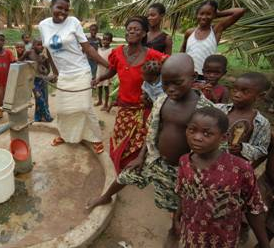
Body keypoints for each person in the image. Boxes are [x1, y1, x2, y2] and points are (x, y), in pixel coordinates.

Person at [88, 53, 214, 247]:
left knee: (178, 203)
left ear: (193, 77)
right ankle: (105, 197)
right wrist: (141, 156)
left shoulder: (204, 109)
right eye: (166, 83)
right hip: (154, 159)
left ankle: (174, 228)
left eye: (177, 83)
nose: (171, 88)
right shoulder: (162, 100)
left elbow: (210, 146)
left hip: (182, 169)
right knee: (125, 176)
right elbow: (152, 131)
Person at [175, 107, 270, 248]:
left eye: (207, 133)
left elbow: (253, 208)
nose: (197, 137)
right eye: (192, 130)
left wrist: (264, 243)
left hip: (223, 238)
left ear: (224, 137)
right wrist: (177, 218)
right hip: (191, 230)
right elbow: (182, 192)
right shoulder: (184, 161)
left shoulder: (240, 168)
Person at [93, 16, 168, 172]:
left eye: (136, 29)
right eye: (129, 29)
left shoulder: (153, 55)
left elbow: (171, 67)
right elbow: (112, 70)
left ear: (143, 34)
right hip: (124, 108)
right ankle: (120, 170)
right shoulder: (118, 52)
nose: (132, 31)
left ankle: (133, 171)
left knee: (139, 143)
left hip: (143, 108)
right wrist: (100, 78)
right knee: (120, 139)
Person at [38, 0, 107, 154]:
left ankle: (95, 138)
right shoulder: (43, 25)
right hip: (64, 75)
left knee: (84, 107)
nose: (63, 12)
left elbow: (88, 48)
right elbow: (48, 50)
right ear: (51, 7)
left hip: (81, 71)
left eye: (66, 9)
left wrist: (108, 65)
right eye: (59, 8)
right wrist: (55, 72)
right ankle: (66, 135)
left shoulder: (73, 22)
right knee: (63, 109)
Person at [181, 0, 245, 78]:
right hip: (187, 74)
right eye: (201, 14)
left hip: (206, 76)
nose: (204, 17)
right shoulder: (189, 32)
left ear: (214, 15)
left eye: (209, 14)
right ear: (197, 15)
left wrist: (219, 14)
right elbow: (183, 49)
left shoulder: (216, 30)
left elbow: (240, 11)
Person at [217, 72, 271, 162]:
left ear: (260, 96)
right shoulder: (219, 109)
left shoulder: (261, 123)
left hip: (233, 166)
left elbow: (262, 150)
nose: (237, 94)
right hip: (208, 159)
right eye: (235, 90)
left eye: (245, 92)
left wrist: (242, 148)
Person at [21, 38, 54, 122]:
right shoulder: (29, 53)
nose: (41, 47)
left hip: (41, 79)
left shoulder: (41, 56)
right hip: (33, 81)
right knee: (40, 98)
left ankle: (38, 117)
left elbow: (47, 69)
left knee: (44, 98)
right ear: (33, 45)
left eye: (42, 45)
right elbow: (19, 62)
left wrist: (45, 70)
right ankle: (47, 116)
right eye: (38, 45)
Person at [257, 132, 274, 244]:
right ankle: (242, 229)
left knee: (272, 224)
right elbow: (264, 152)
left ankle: (263, 244)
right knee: (252, 207)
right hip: (267, 179)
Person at [94, 32, 112, 111]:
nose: (105, 41)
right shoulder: (99, 49)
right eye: (104, 39)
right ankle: (100, 100)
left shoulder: (111, 50)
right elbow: (97, 59)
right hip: (99, 70)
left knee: (106, 87)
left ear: (111, 41)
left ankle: (106, 104)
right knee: (99, 86)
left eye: (107, 40)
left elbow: (112, 62)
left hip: (107, 71)